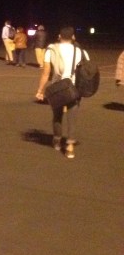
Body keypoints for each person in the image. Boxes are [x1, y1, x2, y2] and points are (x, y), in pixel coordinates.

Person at [35, 26, 89, 159]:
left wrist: (40, 90)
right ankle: (70, 147)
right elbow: (87, 72)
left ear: (59, 36)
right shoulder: (81, 52)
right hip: (74, 88)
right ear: (73, 37)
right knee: (72, 118)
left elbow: (46, 73)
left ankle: (57, 140)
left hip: (57, 87)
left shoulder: (51, 50)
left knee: (57, 116)